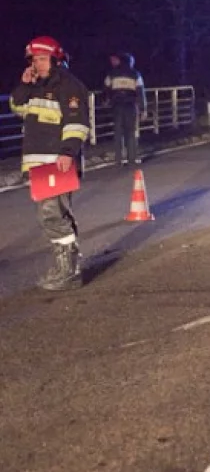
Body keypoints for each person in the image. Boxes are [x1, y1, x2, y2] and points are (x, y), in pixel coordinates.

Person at [10, 36, 90, 291]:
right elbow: (17, 107)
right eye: (34, 59)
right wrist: (24, 86)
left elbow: (77, 123)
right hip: (41, 165)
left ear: (56, 60)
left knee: (52, 216)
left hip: (57, 162)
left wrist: (68, 152)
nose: (37, 64)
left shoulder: (69, 86)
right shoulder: (36, 85)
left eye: (42, 59)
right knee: (57, 215)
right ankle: (71, 269)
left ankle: (67, 271)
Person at [103, 52, 147, 165]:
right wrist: (143, 109)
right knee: (131, 132)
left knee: (118, 133)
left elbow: (106, 88)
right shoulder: (135, 74)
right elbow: (140, 92)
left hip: (117, 106)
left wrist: (106, 100)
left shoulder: (112, 73)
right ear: (130, 62)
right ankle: (131, 158)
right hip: (130, 106)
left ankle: (118, 160)